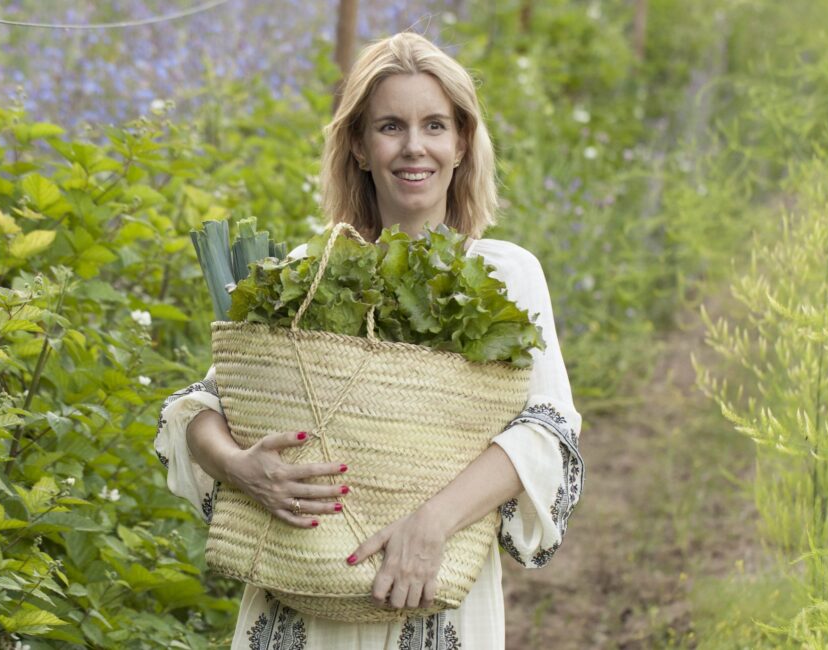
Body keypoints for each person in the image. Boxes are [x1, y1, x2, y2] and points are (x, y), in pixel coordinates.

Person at [154, 31, 584, 650]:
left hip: (430, 592)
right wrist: (241, 467)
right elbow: (202, 406)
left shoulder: (506, 273)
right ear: (357, 146)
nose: (415, 147)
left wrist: (430, 526)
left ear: (463, 143)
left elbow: (546, 431)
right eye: (390, 126)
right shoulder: (311, 269)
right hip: (304, 591)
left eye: (435, 125)